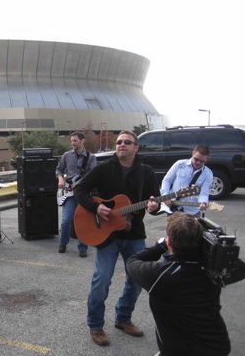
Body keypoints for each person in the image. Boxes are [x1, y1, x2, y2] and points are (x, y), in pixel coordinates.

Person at [73, 130, 160, 346]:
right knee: (101, 280)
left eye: (127, 142)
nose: (121, 145)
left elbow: (154, 200)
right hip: (107, 235)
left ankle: (123, 318)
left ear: (136, 148)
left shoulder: (146, 172)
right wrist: (96, 206)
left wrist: (154, 206)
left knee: (137, 280)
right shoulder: (104, 168)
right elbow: (80, 189)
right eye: (119, 142)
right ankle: (95, 325)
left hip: (134, 233)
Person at [126, 212, 245, 356]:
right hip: (216, 346)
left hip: (177, 350)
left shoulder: (159, 276)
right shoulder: (215, 270)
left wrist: (160, 246)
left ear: (170, 242)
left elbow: (132, 262)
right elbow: (242, 269)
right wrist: (218, 246)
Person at [55, 131, 97, 257]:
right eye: (71, 141)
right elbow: (58, 169)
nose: (73, 143)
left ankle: (83, 248)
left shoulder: (91, 158)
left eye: (75, 141)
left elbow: (94, 175)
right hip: (69, 193)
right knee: (66, 220)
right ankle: (63, 242)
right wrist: (61, 179)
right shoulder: (67, 155)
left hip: (83, 194)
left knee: (83, 221)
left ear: (82, 141)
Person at [161, 144, 213, 216]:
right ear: (192, 153)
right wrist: (165, 195)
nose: (198, 162)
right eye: (196, 159)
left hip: (192, 212)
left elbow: (204, 193)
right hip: (173, 209)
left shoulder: (208, 174)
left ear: (207, 159)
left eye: (202, 161)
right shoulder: (179, 164)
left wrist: (203, 203)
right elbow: (167, 180)